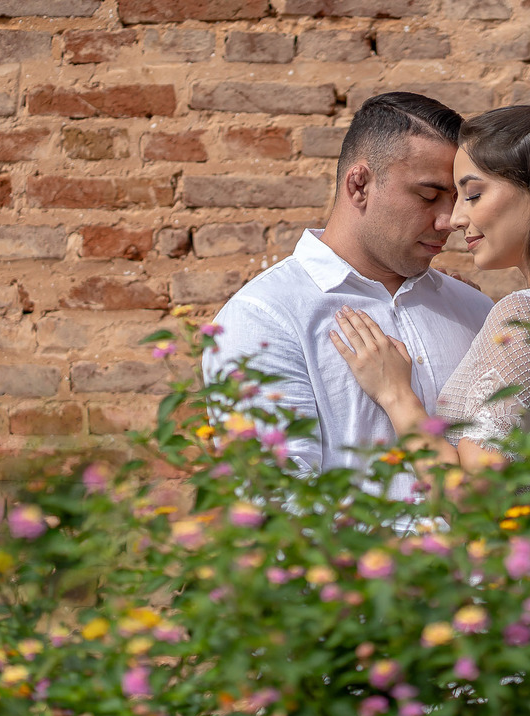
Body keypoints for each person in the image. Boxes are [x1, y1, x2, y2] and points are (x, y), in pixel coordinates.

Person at [204, 92, 494, 500]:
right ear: (359, 184)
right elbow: (276, 506)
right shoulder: (265, 318)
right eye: (428, 196)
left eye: (457, 198)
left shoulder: (477, 311)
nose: (449, 221)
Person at [330, 105, 530, 471]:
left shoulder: (524, 314)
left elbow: (475, 500)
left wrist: (397, 395)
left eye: (474, 195)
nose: (456, 218)